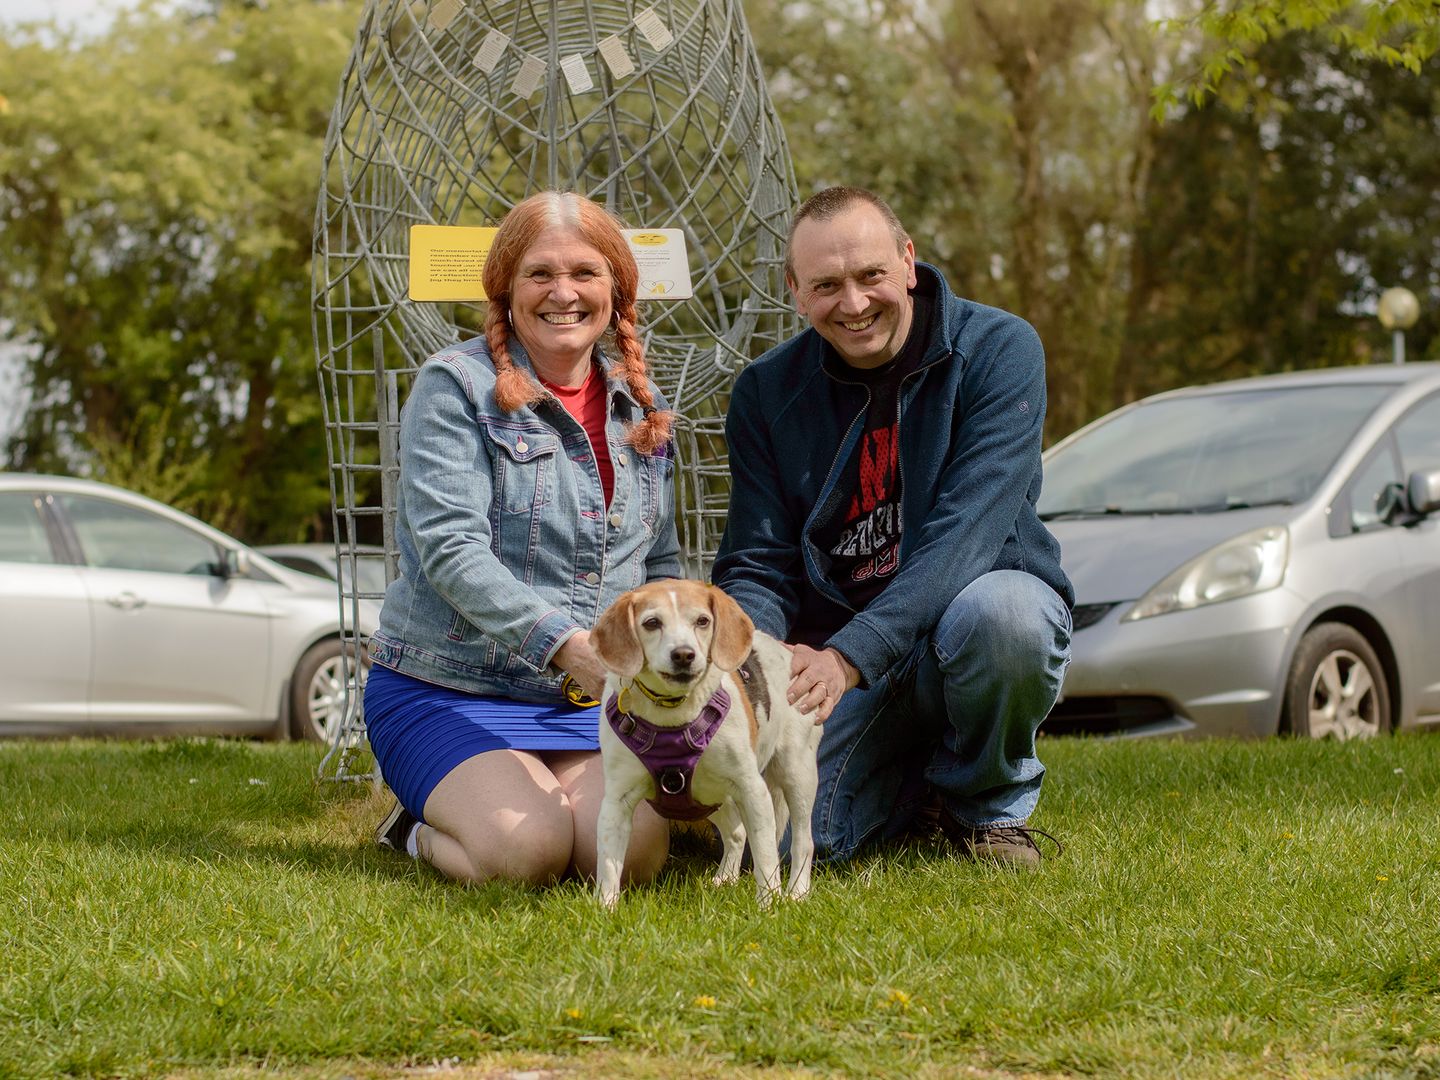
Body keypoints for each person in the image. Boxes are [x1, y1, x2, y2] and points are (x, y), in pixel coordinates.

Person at [711, 186, 1074, 868]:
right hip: (837, 657)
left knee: (1009, 617)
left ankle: (984, 809)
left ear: (907, 262)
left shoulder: (999, 349)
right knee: (790, 843)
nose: (853, 303)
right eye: (826, 285)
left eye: (870, 275)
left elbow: (966, 537)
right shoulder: (765, 391)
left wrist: (851, 656)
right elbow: (758, 560)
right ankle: (917, 787)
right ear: (795, 293)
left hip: (954, 627)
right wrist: (754, 661)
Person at [364, 191, 679, 886]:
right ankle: (413, 831)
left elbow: (660, 562)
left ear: (616, 289)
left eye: (585, 273)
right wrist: (568, 648)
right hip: (451, 687)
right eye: (540, 274)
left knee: (628, 858)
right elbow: (450, 549)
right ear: (507, 289)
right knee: (526, 853)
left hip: (586, 701)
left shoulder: (644, 406)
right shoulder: (455, 386)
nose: (563, 293)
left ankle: (537, 802)